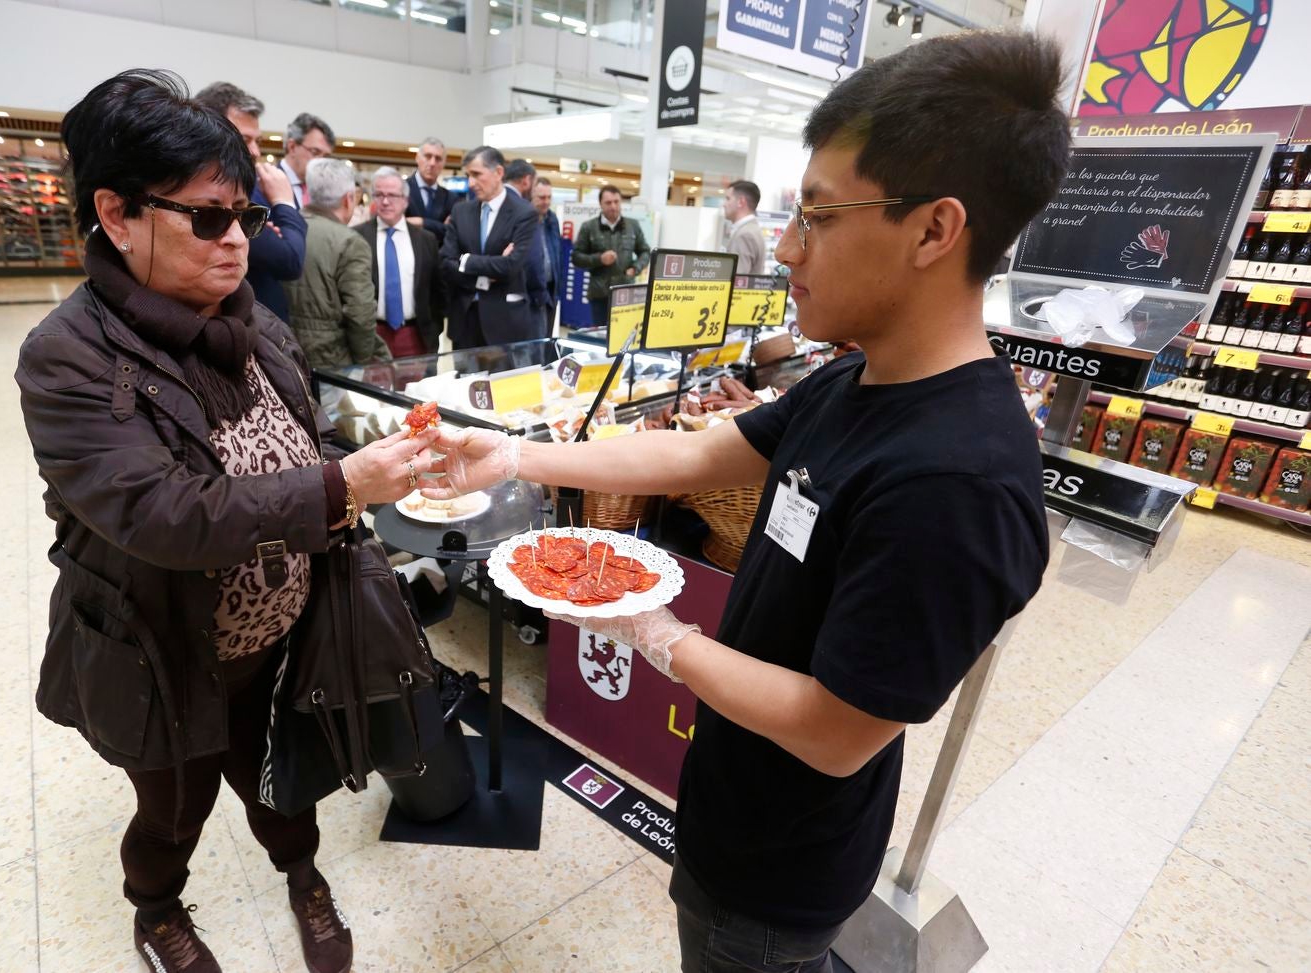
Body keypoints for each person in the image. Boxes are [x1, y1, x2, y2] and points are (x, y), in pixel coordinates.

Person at [421, 30, 1068, 972]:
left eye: (818, 215)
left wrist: (660, 634)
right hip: (733, 793)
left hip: (782, 860)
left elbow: (838, 732)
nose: (786, 246)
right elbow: (698, 456)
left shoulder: (955, 485)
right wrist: (517, 452)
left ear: (935, 229)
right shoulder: (857, 379)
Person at [17, 69, 441, 973]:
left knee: (286, 778)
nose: (238, 241)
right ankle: (158, 910)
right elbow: (161, 512)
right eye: (208, 219)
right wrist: (340, 484)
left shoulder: (258, 328)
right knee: (172, 806)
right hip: (161, 648)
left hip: (285, 636)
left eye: (246, 215)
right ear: (119, 214)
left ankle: (304, 877)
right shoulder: (68, 357)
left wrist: (374, 454)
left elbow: (307, 435)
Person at [193, 81, 307, 323]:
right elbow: (289, 259)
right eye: (244, 140)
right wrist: (284, 202)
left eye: (258, 141)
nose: (255, 151)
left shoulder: (253, 187)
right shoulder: (209, 194)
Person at [283, 158, 388, 371]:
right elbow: (361, 312)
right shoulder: (349, 242)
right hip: (332, 360)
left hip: (285, 351)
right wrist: (364, 360)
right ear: (349, 199)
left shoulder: (286, 229)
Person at [439, 145, 538, 349]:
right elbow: (446, 263)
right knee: (464, 381)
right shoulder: (461, 211)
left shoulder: (524, 213)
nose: (471, 183)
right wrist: (487, 273)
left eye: (477, 174)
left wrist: (466, 260)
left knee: (504, 381)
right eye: (468, 175)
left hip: (505, 323)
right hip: (465, 321)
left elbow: (511, 266)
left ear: (498, 173)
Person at [356, 166, 442, 358]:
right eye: (379, 195)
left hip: (415, 335)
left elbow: (437, 291)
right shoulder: (357, 237)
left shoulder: (426, 240)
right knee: (373, 387)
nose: (385, 201)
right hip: (373, 335)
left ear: (405, 201)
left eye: (392, 195)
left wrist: (434, 328)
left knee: (416, 388)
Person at [570, 185, 651, 328]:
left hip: (625, 293)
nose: (613, 206)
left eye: (616, 202)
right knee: (601, 338)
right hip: (599, 294)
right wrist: (599, 259)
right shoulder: (589, 227)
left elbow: (645, 252)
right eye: (608, 203)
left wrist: (635, 268)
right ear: (600, 204)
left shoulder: (633, 226)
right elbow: (576, 258)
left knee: (624, 336)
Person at [504, 159, 553, 336]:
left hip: (502, 301)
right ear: (527, 180)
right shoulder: (525, 211)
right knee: (529, 358)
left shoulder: (495, 206)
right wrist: (541, 296)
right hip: (528, 300)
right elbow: (533, 260)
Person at [405, 137, 455, 246]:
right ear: (417, 158)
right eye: (428, 156)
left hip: (438, 259)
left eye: (438, 159)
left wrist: (421, 222)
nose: (432, 163)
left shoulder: (451, 198)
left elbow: (452, 232)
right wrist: (438, 226)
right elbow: (393, 224)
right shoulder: (400, 190)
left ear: (444, 163)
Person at [280, 113, 336, 208]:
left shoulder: (324, 192)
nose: (321, 162)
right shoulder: (264, 184)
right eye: (315, 152)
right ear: (292, 147)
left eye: (326, 156)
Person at [531, 176, 563, 335]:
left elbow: (557, 253)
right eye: (542, 197)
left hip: (551, 288)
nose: (546, 202)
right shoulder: (525, 220)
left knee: (548, 338)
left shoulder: (552, 219)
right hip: (533, 291)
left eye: (549, 197)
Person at [723, 179, 768, 275]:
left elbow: (738, 280)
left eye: (728, 199)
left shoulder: (745, 234)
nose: (724, 204)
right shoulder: (753, 230)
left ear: (741, 202)